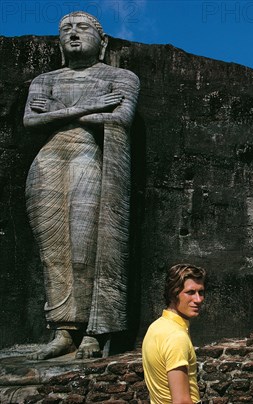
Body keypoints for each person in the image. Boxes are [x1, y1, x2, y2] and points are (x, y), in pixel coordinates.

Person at [23, 11, 139, 359]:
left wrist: (56, 110)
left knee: (86, 246)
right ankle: (63, 329)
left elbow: (120, 117)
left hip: (88, 157)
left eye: (82, 27)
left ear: (102, 42)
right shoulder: (46, 79)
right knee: (52, 251)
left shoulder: (121, 77)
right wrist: (88, 105)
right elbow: (31, 120)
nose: (73, 34)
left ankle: (93, 330)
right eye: (66, 29)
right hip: (47, 161)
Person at [142, 264, 206, 404]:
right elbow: (181, 401)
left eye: (200, 292)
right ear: (173, 294)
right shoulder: (176, 337)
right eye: (190, 292)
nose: (198, 299)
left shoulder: (156, 327)